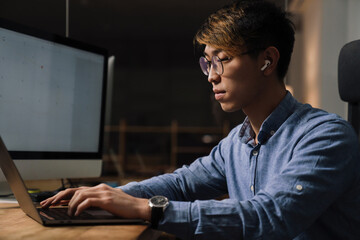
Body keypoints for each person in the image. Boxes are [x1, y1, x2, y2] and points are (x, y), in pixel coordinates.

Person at [41, 1, 360, 239]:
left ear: (267, 60)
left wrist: (145, 208)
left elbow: (271, 216)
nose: (211, 76)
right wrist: (110, 195)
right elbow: (181, 183)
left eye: (222, 60)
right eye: (206, 64)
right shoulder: (236, 142)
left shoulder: (327, 136)